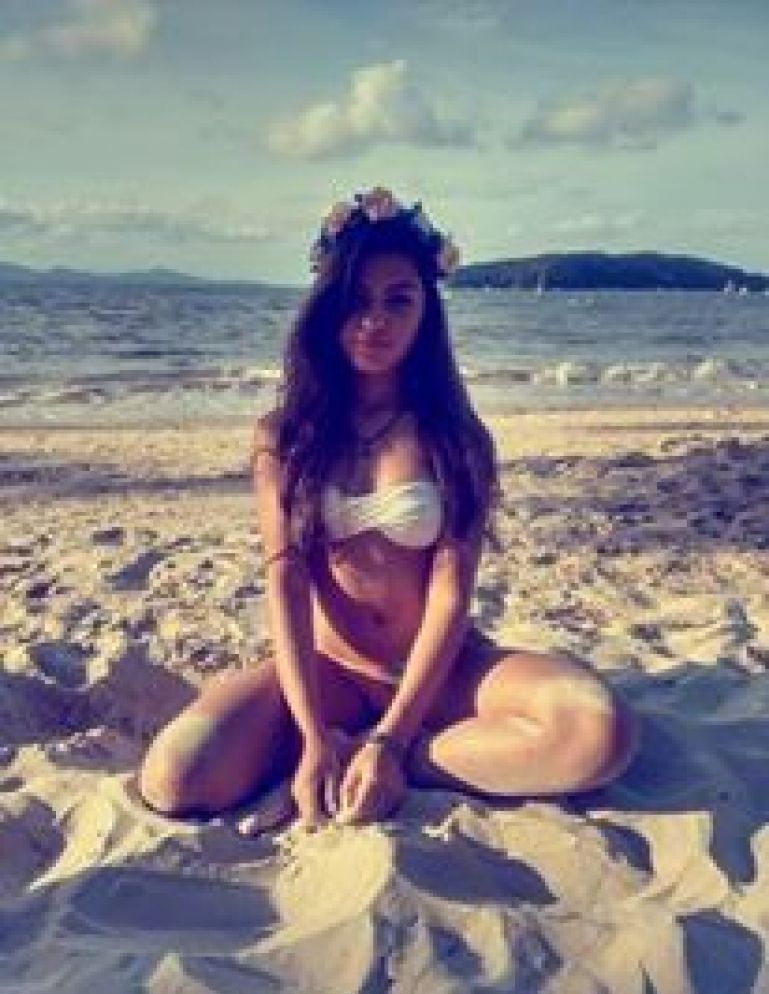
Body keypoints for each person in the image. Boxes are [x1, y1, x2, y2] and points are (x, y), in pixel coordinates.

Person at [138, 186, 639, 830]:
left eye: (398, 300)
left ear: (426, 311)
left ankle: (408, 759)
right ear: (328, 309)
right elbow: (286, 581)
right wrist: (313, 736)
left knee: (599, 734)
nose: (374, 321)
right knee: (173, 777)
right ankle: (341, 752)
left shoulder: (455, 438)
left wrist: (394, 742)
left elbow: (450, 596)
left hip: (441, 672)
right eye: (356, 300)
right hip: (330, 673)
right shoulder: (285, 436)